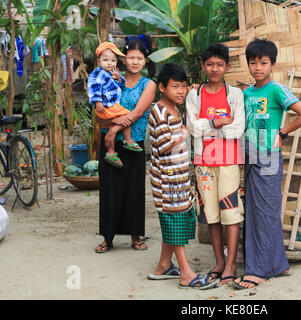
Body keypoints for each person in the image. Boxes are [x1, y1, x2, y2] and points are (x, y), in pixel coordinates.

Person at [233, 38, 301, 290]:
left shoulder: (277, 90)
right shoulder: (246, 93)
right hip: (250, 156)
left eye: (263, 63)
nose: (258, 67)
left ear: (273, 64)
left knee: (264, 212)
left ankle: (259, 270)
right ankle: (278, 264)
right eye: (253, 63)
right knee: (256, 210)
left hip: (268, 157)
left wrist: (282, 133)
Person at [147, 63, 218, 290]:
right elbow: (164, 145)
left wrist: (194, 91)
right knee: (174, 220)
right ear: (162, 87)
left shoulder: (177, 108)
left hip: (178, 176)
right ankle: (186, 273)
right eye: (175, 86)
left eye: (183, 86)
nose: (180, 91)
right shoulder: (158, 112)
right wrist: (183, 133)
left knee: (177, 219)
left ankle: (163, 266)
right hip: (167, 179)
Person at [186, 43, 245, 285]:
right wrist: (220, 121)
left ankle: (231, 264)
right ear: (203, 66)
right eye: (210, 64)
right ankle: (218, 261)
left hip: (229, 161)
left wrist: (206, 123)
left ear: (227, 67)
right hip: (203, 162)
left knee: (230, 213)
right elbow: (192, 127)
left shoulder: (235, 95)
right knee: (211, 214)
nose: (214, 68)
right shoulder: (194, 95)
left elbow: (237, 128)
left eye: (220, 64)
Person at [94, 37, 156, 253]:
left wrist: (113, 129)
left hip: (134, 144)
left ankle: (135, 237)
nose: (135, 62)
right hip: (109, 145)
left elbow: (138, 113)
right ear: (124, 59)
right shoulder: (109, 80)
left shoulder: (148, 85)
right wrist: (109, 127)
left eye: (140, 58)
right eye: (131, 57)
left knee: (133, 191)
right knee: (109, 190)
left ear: (145, 61)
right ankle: (107, 238)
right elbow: (99, 113)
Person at [87, 42, 143, 168]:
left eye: (113, 60)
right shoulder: (98, 74)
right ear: (98, 60)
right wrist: (98, 101)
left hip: (112, 105)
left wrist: (118, 78)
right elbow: (94, 87)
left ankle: (111, 152)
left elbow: (121, 85)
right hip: (106, 106)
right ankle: (127, 140)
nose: (109, 63)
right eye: (105, 60)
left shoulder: (111, 72)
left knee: (116, 124)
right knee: (126, 117)